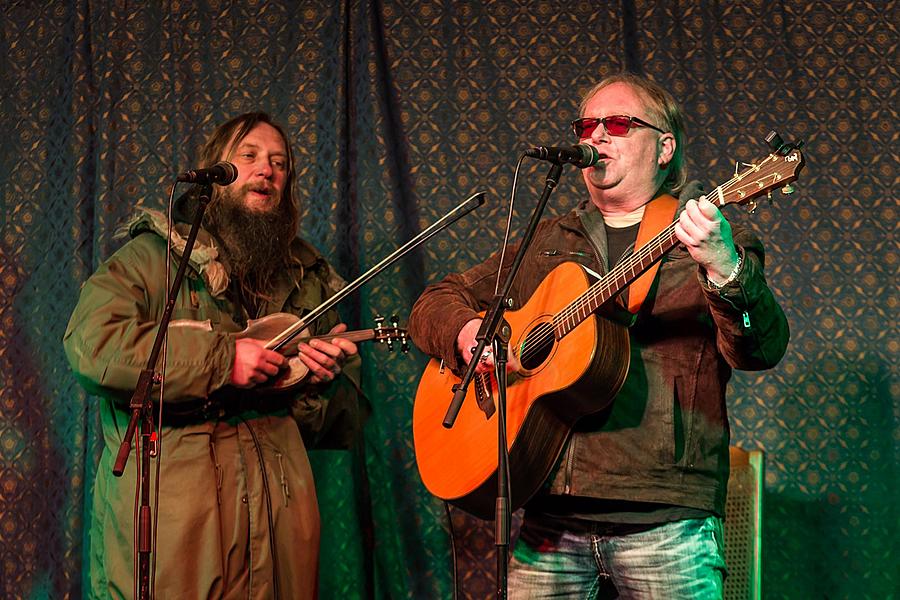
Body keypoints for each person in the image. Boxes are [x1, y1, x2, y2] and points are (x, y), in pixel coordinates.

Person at [408, 73, 789, 598]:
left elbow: (760, 348)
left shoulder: (712, 231)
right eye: (588, 124)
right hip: (548, 517)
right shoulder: (549, 239)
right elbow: (434, 301)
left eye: (617, 124)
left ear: (664, 147)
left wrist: (725, 267)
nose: (596, 136)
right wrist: (467, 331)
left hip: (665, 517)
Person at [64, 112, 364, 599]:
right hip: (180, 529)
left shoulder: (305, 277)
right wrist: (224, 359)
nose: (266, 170)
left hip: (280, 524)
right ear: (215, 172)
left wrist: (316, 381)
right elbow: (92, 345)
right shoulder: (153, 259)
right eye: (248, 157)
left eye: (279, 163)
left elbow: (330, 429)